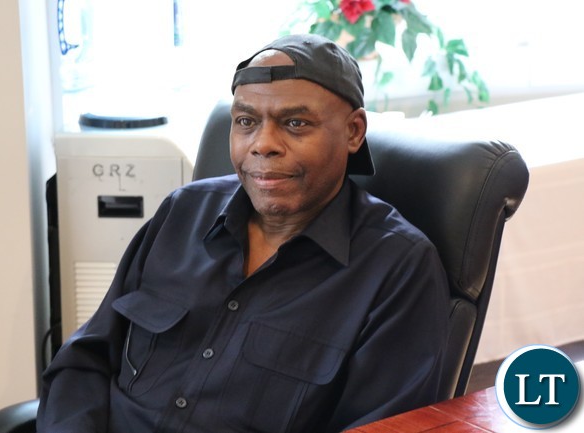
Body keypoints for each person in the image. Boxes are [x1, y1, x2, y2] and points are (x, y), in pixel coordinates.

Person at [38, 34, 450, 433]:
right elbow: (86, 360)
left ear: (354, 132)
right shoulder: (183, 212)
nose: (263, 144)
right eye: (246, 122)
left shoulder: (398, 268)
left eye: (295, 123)